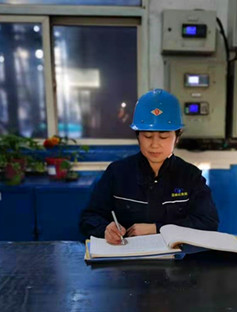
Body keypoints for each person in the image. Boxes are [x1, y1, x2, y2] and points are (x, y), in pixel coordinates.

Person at [79, 89, 219, 244]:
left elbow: (208, 223)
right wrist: (105, 229)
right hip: (127, 255)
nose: (154, 144)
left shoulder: (190, 175)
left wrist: (157, 228)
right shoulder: (117, 173)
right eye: (147, 136)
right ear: (138, 136)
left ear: (177, 137)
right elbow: (89, 217)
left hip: (177, 257)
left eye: (163, 137)